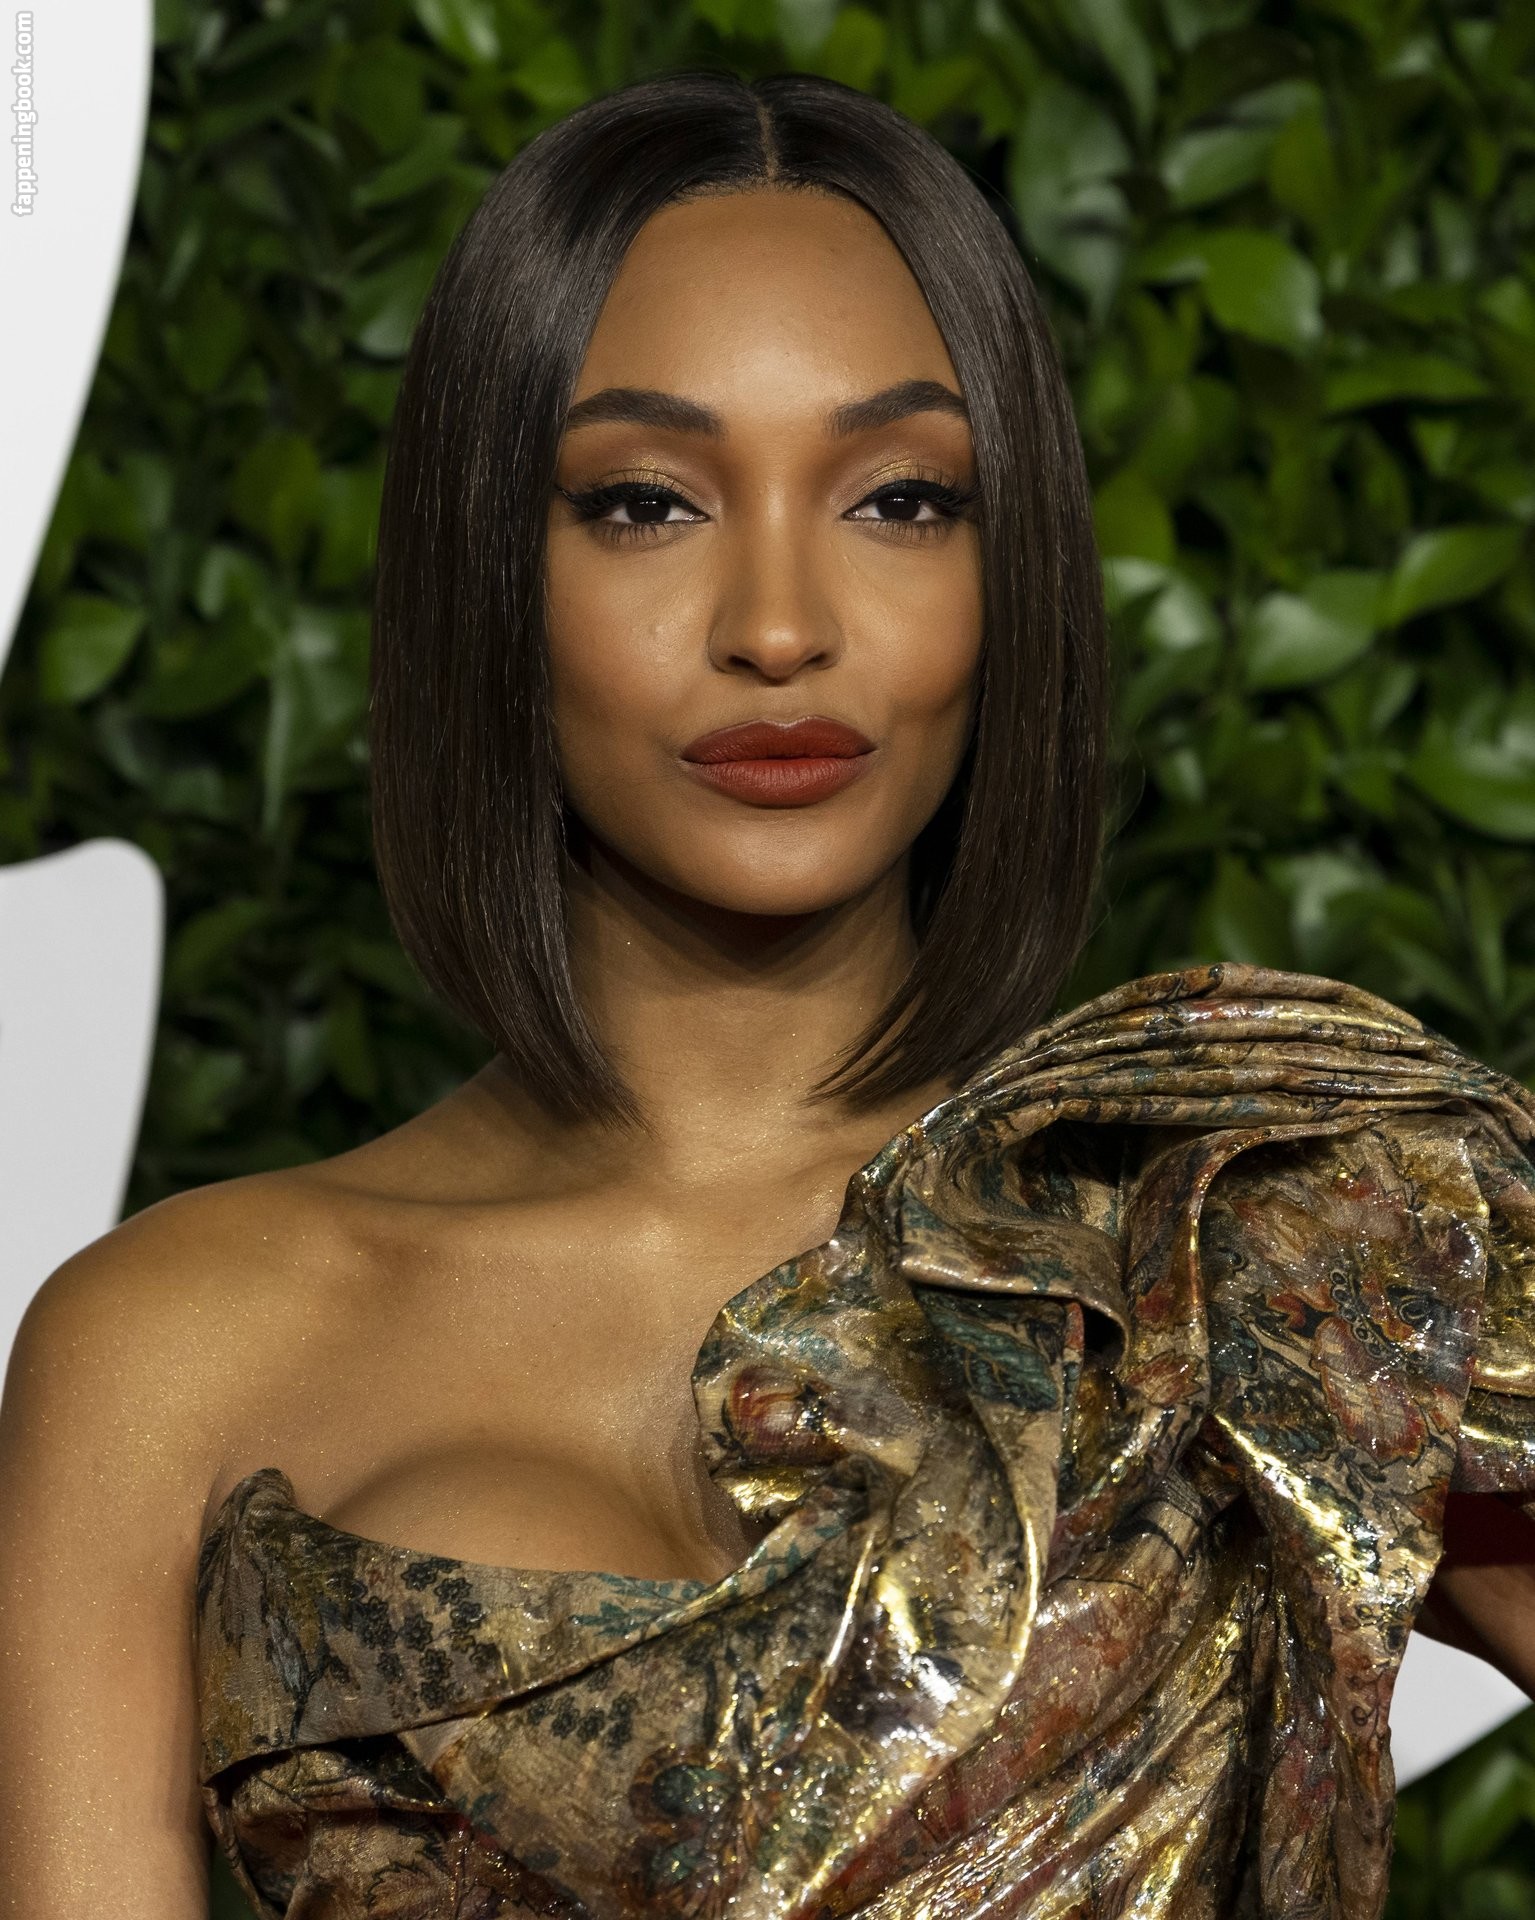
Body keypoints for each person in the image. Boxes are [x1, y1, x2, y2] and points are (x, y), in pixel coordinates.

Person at [1, 66, 1532, 1920]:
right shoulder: (169, 1349)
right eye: (646, 502)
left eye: (903, 500)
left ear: (1011, 568)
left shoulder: (1251, 1230)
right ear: (491, 568)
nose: (782, 626)